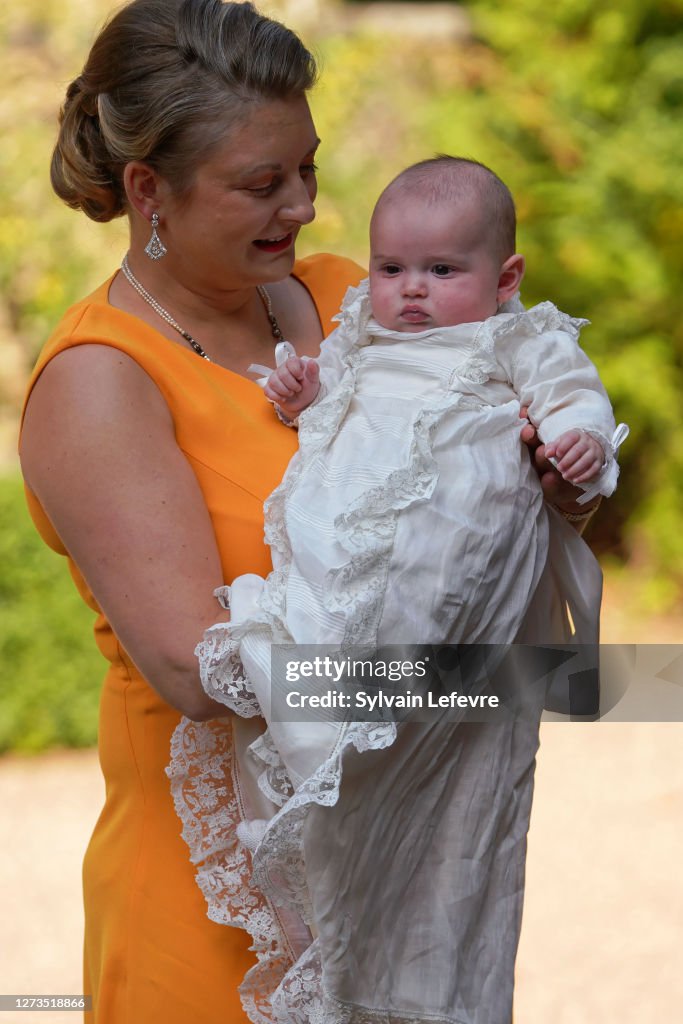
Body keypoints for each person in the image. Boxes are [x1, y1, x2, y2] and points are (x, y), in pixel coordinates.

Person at [16, 1, 600, 1022]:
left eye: (308, 169)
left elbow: (475, 503)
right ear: (148, 191)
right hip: (216, 915)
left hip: (397, 875)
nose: (304, 208)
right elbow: (203, 675)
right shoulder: (101, 384)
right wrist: (477, 679)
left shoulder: (357, 299)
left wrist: (545, 485)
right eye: (260, 184)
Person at [177, 160, 627, 1022]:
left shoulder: (514, 340)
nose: (410, 291)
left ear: (505, 280)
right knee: (313, 663)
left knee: (440, 785)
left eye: (441, 272)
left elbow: (572, 398)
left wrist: (578, 448)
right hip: (348, 559)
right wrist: (306, 395)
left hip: (450, 580)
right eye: (392, 270)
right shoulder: (360, 333)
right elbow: (332, 414)